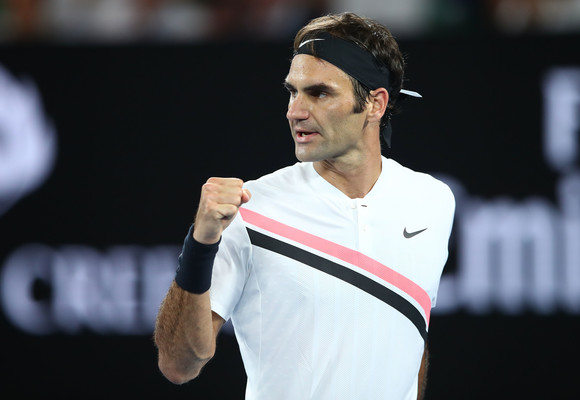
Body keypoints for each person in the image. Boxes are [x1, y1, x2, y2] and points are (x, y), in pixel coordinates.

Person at [153, 11, 455, 400]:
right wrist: (200, 244)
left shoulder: (432, 202)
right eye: (293, 91)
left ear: (375, 104)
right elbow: (178, 364)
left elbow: (409, 336)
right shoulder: (249, 211)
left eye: (319, 93)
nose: (295, 111)